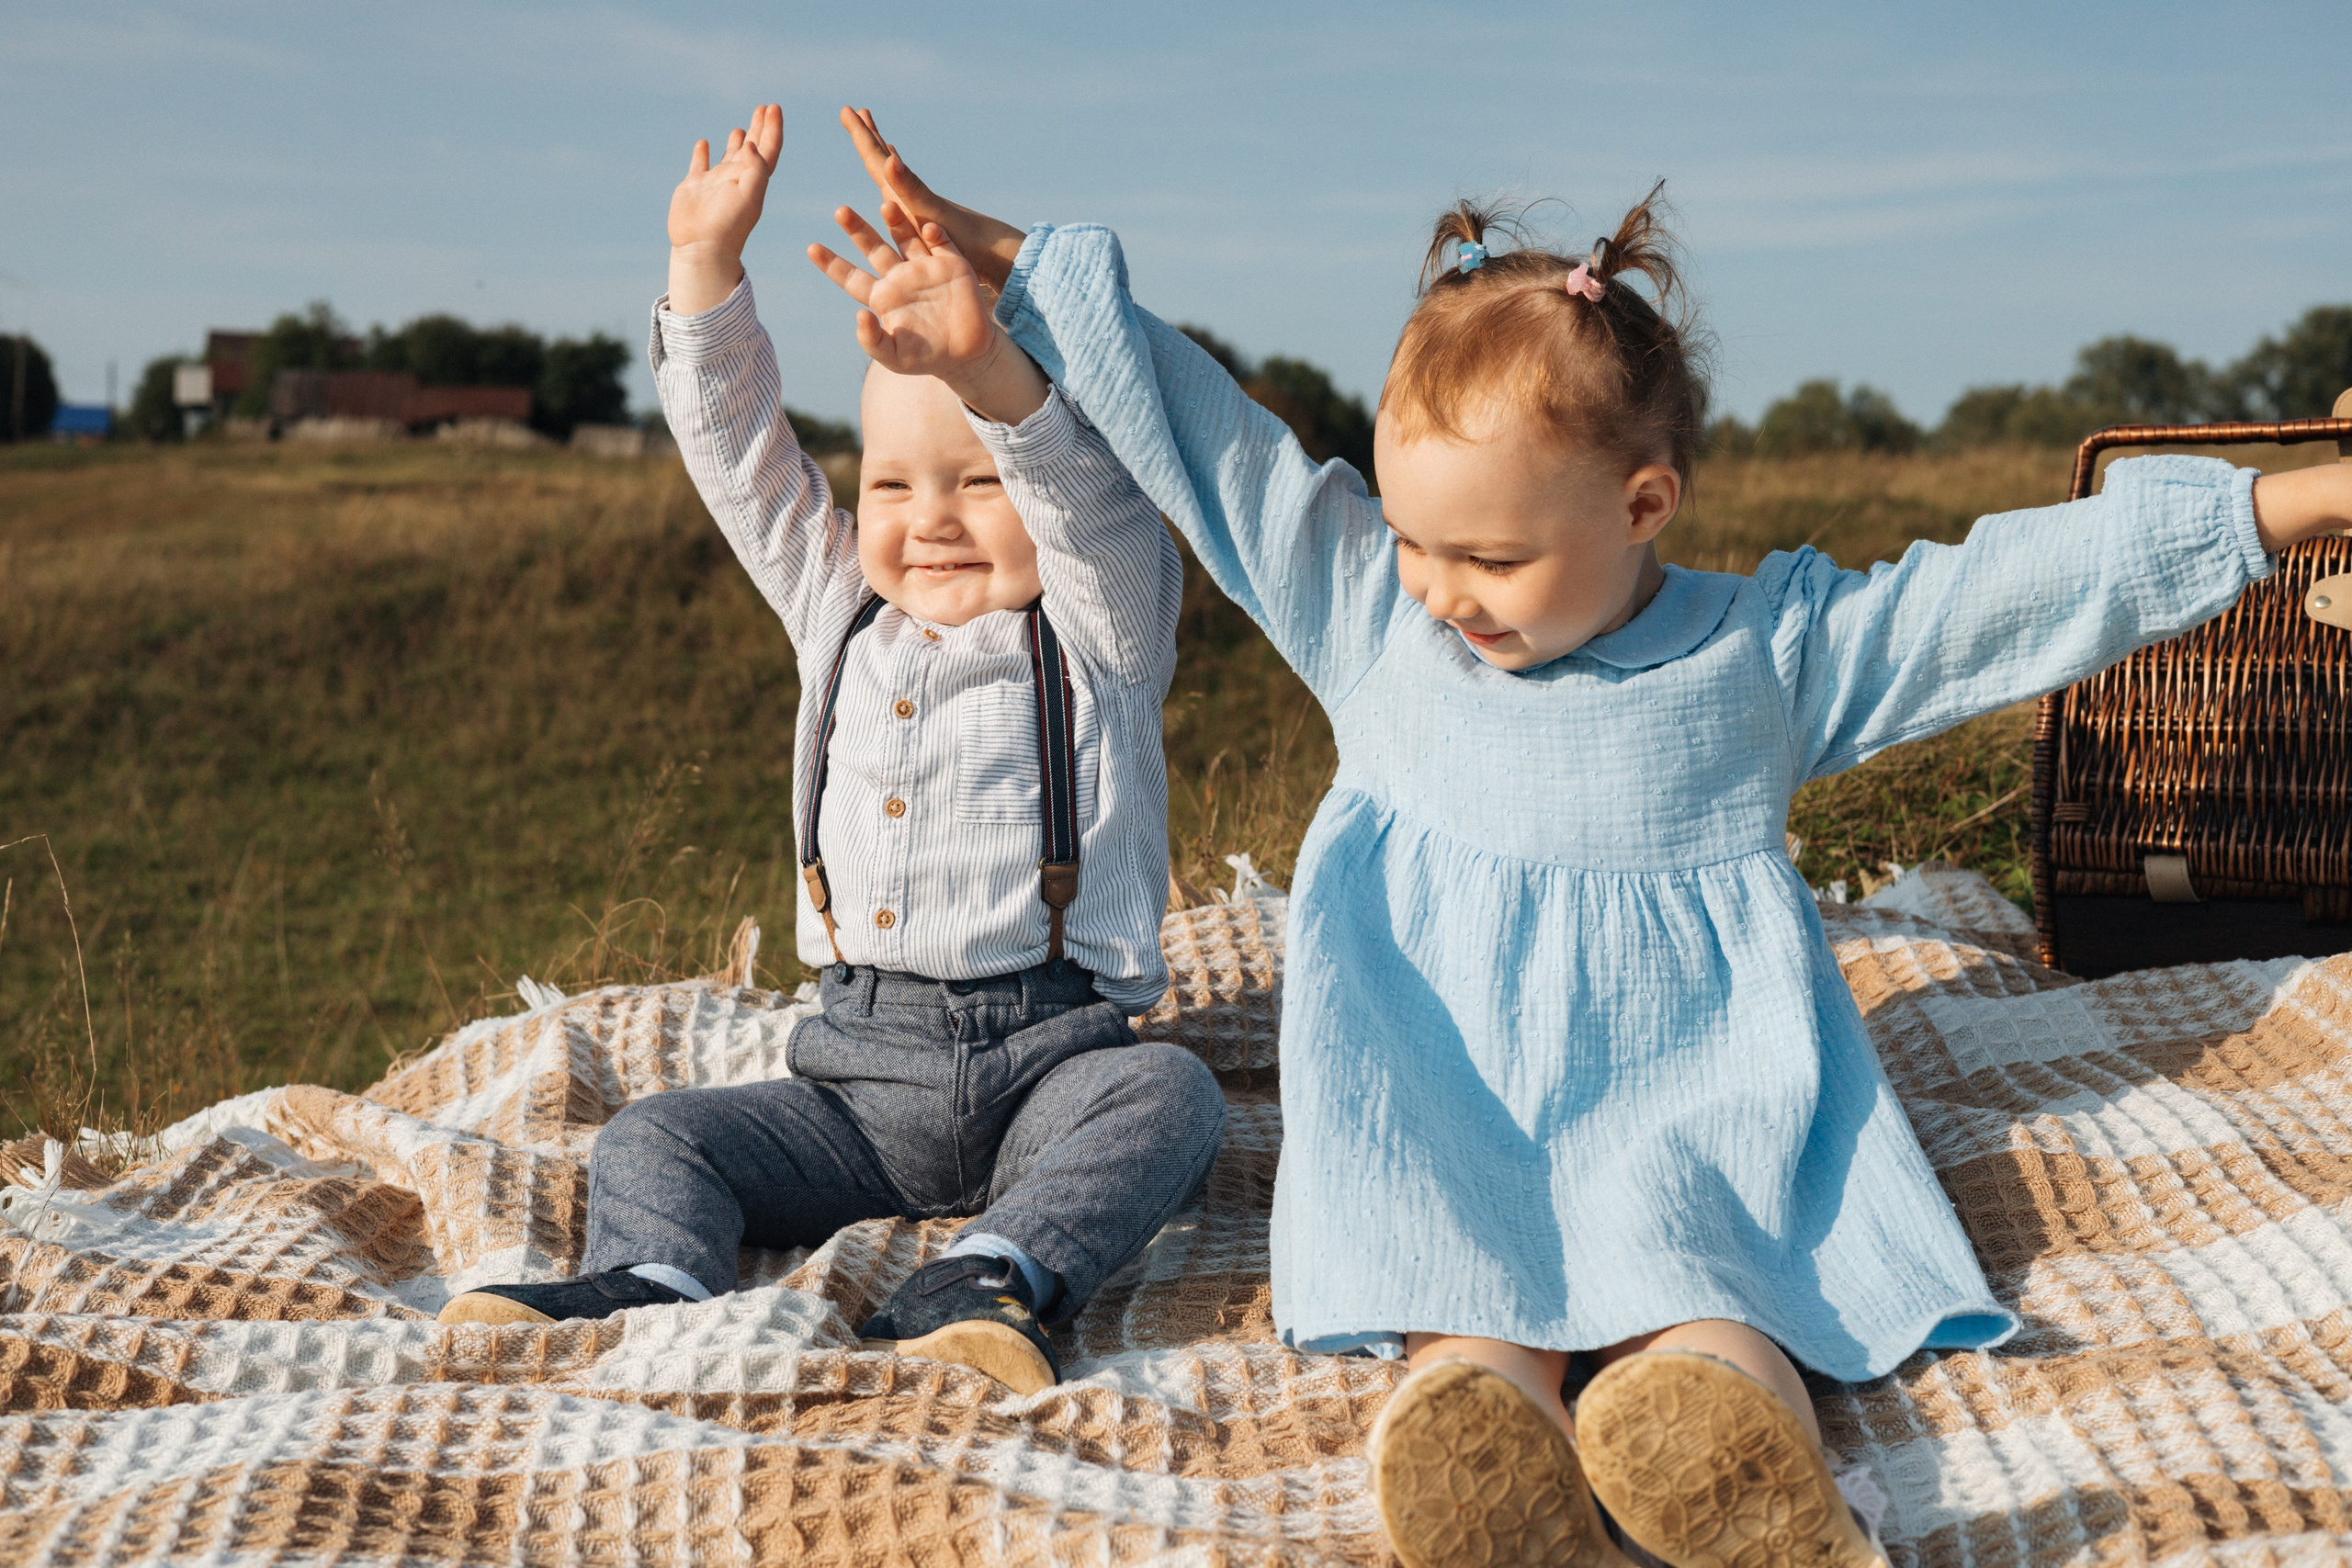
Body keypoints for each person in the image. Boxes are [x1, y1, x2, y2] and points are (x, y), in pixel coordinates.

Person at [835, 109, 2352, 1566]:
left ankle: (1735, 1453)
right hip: (1445, 1088)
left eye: (1490, 555)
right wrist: (1021, 271)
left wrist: (2291, 507)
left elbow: (2006, 592)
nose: (1439, 586)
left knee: (1705, 1272)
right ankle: (1473, 1432)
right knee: (1462, 1290)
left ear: (1645, 501)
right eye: (1417, 539)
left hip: (1686, 1085)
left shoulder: (1763, 655)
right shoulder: (1371, 614)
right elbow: (1204, 433)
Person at [439, 106, 1226, 1401]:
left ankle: (994, 1273)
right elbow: (742, 454)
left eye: (980, 481)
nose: (933, 521)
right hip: (854, 1088)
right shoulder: (834, 606)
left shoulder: (1101, 624)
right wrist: (704, 271)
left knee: (1175, 1099)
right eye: (896, 485)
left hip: (1055, 1063)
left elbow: (1089, 500)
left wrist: (993, 380)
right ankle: (653, 1276)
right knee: (656, 1134)